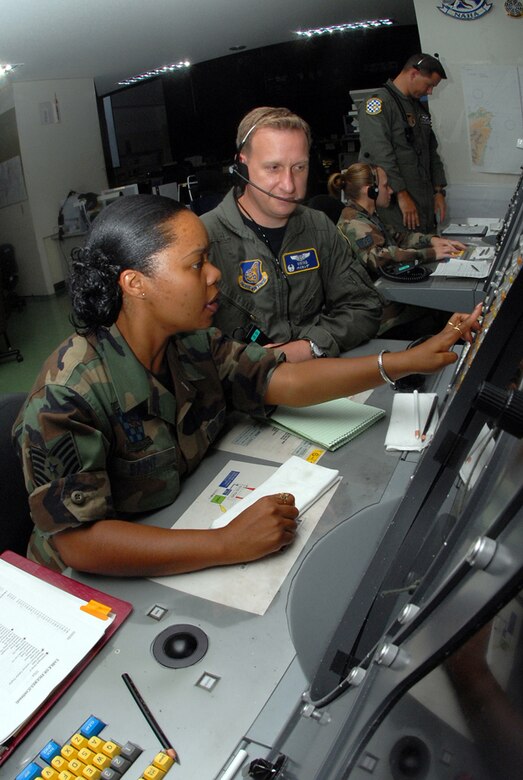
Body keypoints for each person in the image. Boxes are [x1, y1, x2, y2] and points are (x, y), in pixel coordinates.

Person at [13, 195, 481, 578]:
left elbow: (283, 377)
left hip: (174, 522)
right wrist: (224, 543)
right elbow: (78, 542)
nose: (215, 274)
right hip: (83, 586)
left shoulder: (192, 343)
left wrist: (401, 362)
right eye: (196, 265)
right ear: (136, 284)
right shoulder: (67, 395)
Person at [201, 106, 383, 362]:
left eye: (299, 167)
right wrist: (251, 363)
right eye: (273, 167)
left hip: (316, 376)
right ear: (242, 167)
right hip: (243, 393)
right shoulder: (203, 239)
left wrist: (310, 346)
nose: (288, 185)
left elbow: (365, 306)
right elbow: (186, 347)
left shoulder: (318, 227)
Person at [337, 163, 465, 337]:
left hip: (390, 301)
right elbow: (380, 258)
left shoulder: (369, 217)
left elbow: (400, 238)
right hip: (381, 316)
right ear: (371, 191)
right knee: (445, 315)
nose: (390, 191)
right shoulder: (355, 224)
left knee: (447, 310)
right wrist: (431, 254)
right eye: (385, 186)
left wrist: (433, 240)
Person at [358, 54, 448, 234]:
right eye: (429, 85)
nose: (430, 91)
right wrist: (401, 194)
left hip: (424, 202)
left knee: (430, 249)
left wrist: (438, 191)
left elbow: (431, 152)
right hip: (397, 206)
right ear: (414, 74)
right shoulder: (378, 104)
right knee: (407, 252)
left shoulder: (419, 110)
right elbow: (380, 155)